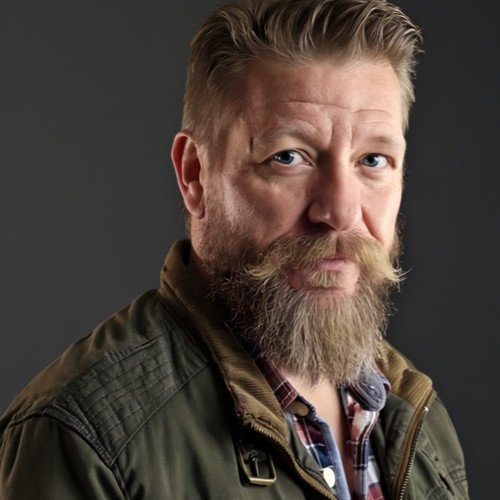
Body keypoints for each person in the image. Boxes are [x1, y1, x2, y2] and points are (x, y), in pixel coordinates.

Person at [0, 0, 468, 498]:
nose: (340, 211)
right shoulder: (83, 439)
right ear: (195, 175)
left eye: (373, 160)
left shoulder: (417, 418)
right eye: (289, 157)